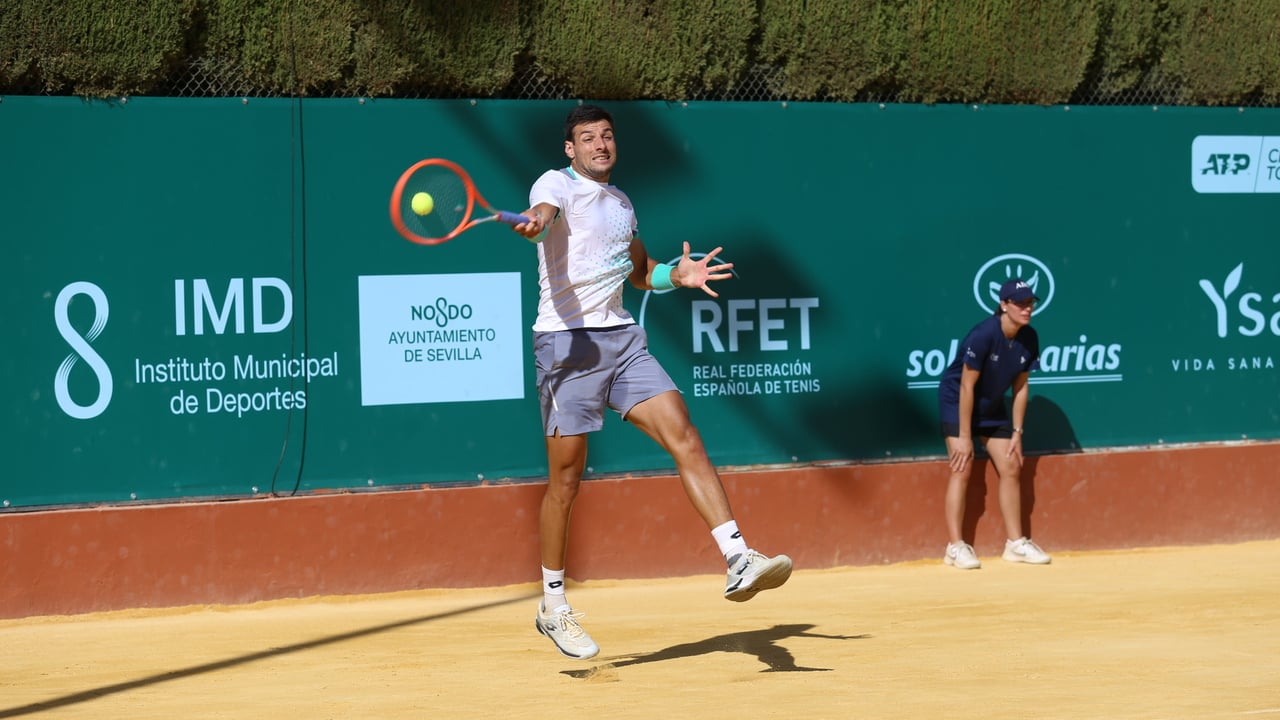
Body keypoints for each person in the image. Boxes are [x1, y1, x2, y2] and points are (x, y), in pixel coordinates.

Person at [511, 104, 792, 660]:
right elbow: (542, 213)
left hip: (621, 339)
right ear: (570, 149)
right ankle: (553, 604)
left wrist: (676, 275)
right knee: (566, 479)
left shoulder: (621, 202)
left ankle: (738, 557)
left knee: (684, 433)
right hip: (567, 346)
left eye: (606, 136)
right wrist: (537, 221)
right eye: (587, 138)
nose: (599, 145)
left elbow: (639, 271)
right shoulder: (554, 185)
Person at [936, 278, 1052, 570]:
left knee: (1011, 465)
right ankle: (955, 547)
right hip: (957, 400)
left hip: (992, 405)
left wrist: (1017, 433)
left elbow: (1021, 387)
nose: (1027, 309)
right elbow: (966, 386)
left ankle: (1015, 544)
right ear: (1003, 305)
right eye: (1020, 303)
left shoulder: (1030, 337)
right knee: (962, 466)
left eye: (1030, 303)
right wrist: (964, 436)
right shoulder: (983, 334)